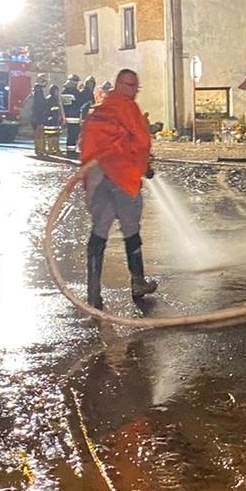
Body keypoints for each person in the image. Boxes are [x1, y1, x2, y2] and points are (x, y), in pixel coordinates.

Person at [80, 68, 158, 311]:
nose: (134, 91)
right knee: (131, 231)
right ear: (120, 85)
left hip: (96, 177)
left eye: (136, 86)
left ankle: (93, 294)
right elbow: (143, 142)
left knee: (99, 232)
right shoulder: (128, 108)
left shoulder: (100, 109)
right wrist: (144, 166)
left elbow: (87, 144)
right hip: (122, 179)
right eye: (131, 86)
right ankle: (137, 282)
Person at [28, 83, 49, 154]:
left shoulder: (32, 97)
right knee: (40, 134)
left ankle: (38, 149)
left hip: (34, 118)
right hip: (39, 118)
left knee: (37, 134)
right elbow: (42, 107)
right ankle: (41, 149)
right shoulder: (40, 96)